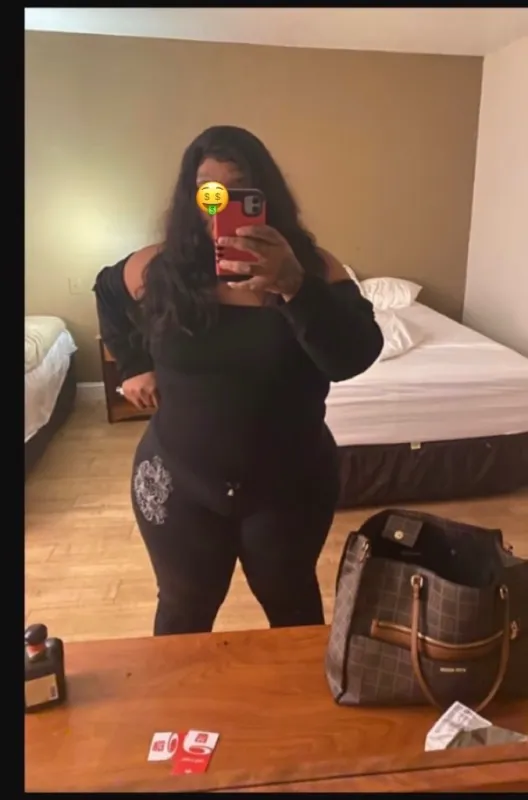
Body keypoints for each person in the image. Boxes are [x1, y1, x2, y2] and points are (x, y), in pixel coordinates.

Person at [94, 125, 383, 636]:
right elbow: (107, 289)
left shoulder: (314, 268)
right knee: (183, 611)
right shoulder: (161, 267)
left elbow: (352, 357)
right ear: (192, 198)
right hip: (177, 482)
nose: (221, 206)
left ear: (263, 195)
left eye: (239, 190)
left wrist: (294, 286)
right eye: (209, 192)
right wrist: (133, 363)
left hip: (290, 486)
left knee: (292, 606)